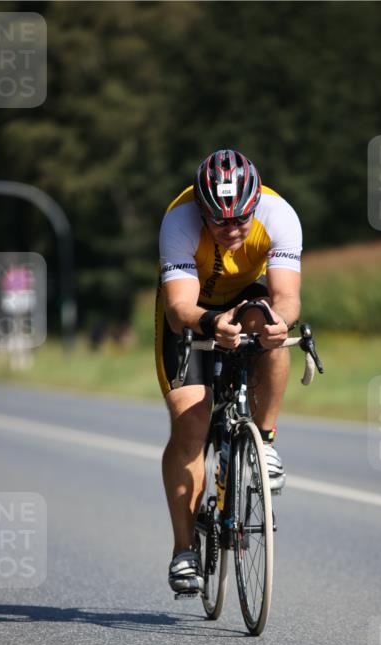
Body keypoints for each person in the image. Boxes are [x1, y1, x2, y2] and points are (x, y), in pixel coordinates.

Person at [155, 149, 302, 594]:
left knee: (270, 323)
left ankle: (267, 439)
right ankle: (184, 551)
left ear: (255, 205)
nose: (233, 229)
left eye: (242, 219)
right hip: (193, 313)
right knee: (191, 421)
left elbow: (287, 298)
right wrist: (210, 323)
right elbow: (180, 307)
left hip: (248, 298)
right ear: (201, 210)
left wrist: (281, 324)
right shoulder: (179, 221)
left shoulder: (279, 215)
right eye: (220, 222)